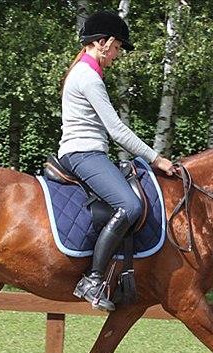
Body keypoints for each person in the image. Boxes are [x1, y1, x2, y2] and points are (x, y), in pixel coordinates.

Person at [58, 11, 175, 312]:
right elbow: (117, 130)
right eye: (118, 47)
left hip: (87, 152)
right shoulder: (88, 77)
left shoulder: (86, 73)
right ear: (102, 43)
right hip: (84, 154)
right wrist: (156, 159)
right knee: (131, 205)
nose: (117, 54)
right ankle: (93, 279)